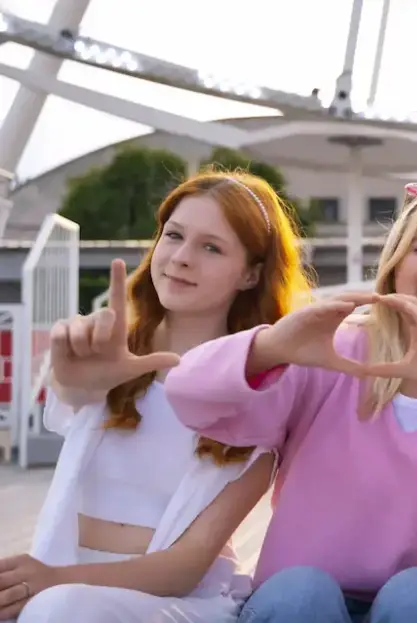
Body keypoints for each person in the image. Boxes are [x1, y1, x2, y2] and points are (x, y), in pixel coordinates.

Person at [162, 182, 417, 623]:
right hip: (296, 602)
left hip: (408, 607)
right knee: (303, 592)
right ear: (395, 267)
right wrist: (270, 347)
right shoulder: (333, 350)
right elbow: (188, 396)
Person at [0, 170, 313, 622]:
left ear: (250, 274)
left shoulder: (260, 391)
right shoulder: (110, 347)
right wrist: (73, 378)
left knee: (60, 607)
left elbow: (185, 567)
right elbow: (73, 398)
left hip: (177, 601)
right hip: (66, 573)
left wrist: (53, 580)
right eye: (174, 236)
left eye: (211, 247)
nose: (182, 258)